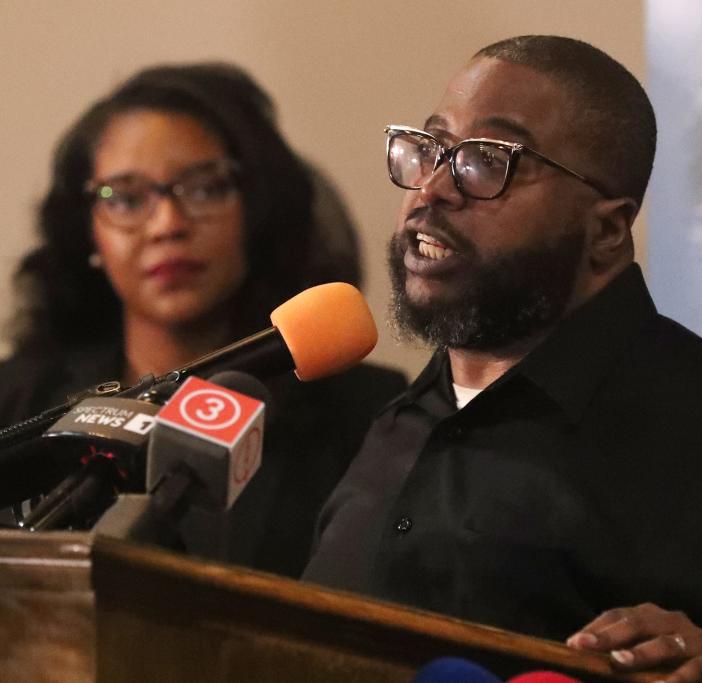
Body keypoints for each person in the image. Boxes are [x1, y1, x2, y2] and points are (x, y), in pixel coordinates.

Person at [302, 35, 702, 682]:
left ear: (607, 230)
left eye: (488, 160)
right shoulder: (395, 426)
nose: (434, 188)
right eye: (431, 148)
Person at [0, 63, 406, 577]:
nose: (168, 225)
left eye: (204, 188)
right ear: (88, 236)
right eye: (125, 198)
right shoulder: (15, 399)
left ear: (257, 210)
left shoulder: (363, 416)